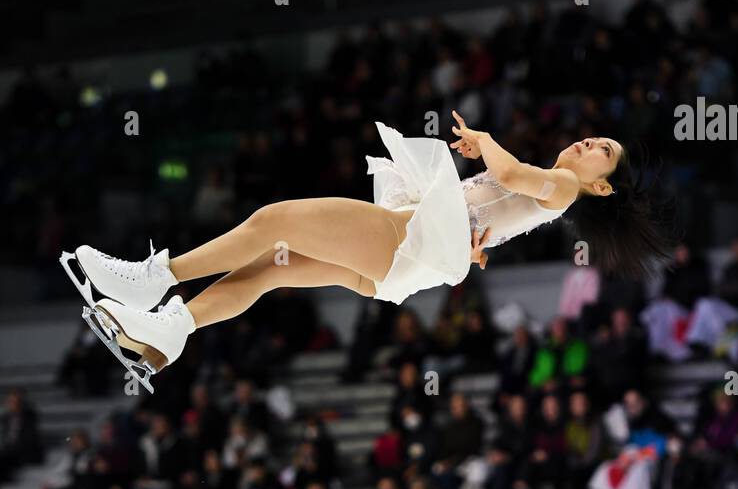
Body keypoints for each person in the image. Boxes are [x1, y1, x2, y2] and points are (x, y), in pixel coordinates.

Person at [60, 115, 673, 386]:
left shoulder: (562, 186)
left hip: (402, 243)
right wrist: (472, 246)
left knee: (274, 221)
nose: (591, 143)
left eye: (604, 151)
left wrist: (486, 142)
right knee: (269, 270)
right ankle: (171, 329)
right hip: (402, 264)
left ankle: (151, 277)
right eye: (597, 139)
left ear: (600, 183)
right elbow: (497, 211)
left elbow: (510, 177)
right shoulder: (556, 190)